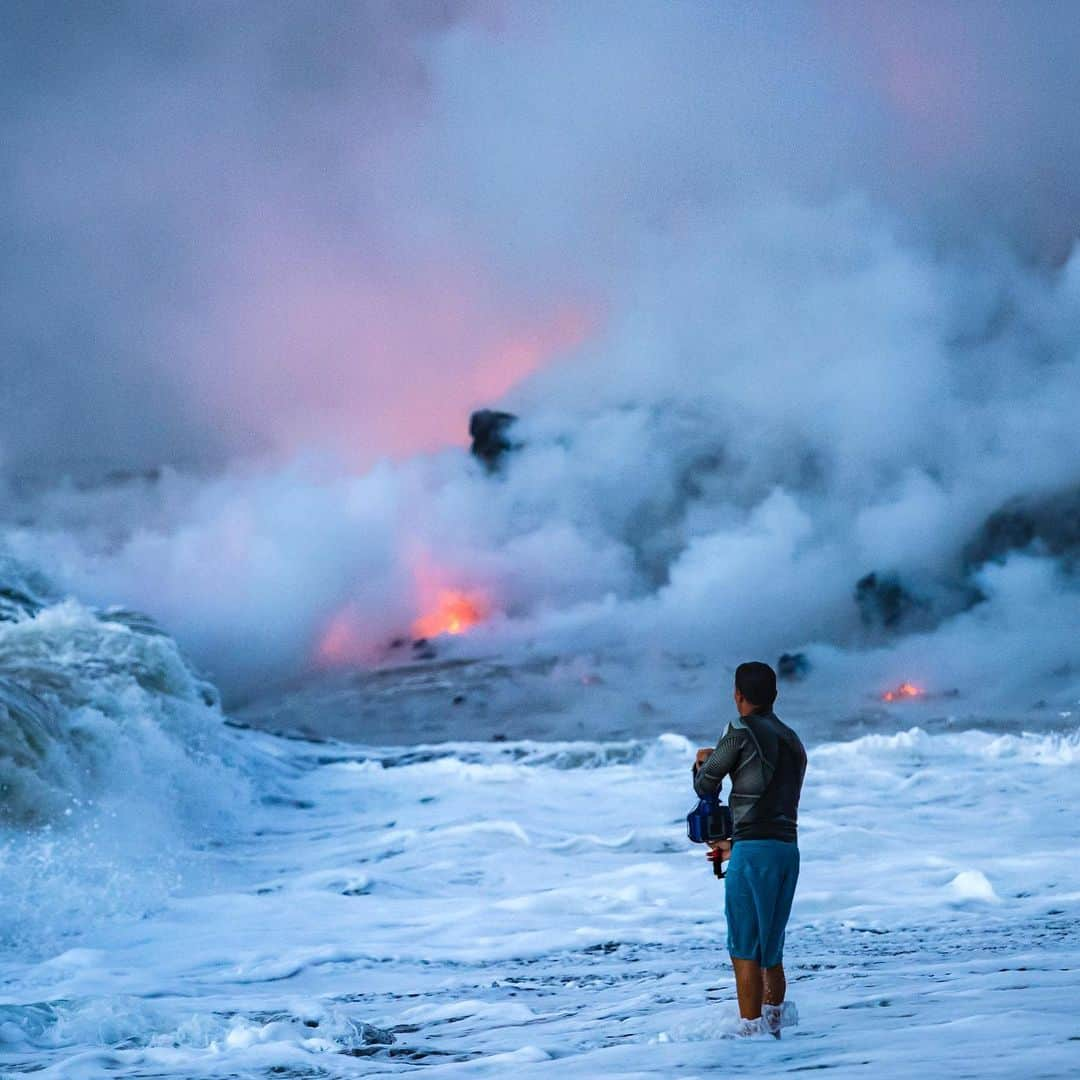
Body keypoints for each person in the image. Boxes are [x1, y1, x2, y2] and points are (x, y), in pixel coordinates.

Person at [692, 660, 807, 1038]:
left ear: (738, 695)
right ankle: (773, 1033)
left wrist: (703, 761)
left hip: (753, 853)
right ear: (774, 696)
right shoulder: (793, 740)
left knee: (744, 948)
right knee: (771, 950)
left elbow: (706, 785)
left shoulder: (738, 731)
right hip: (786, 852)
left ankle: (750, 1040)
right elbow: (771, 801)